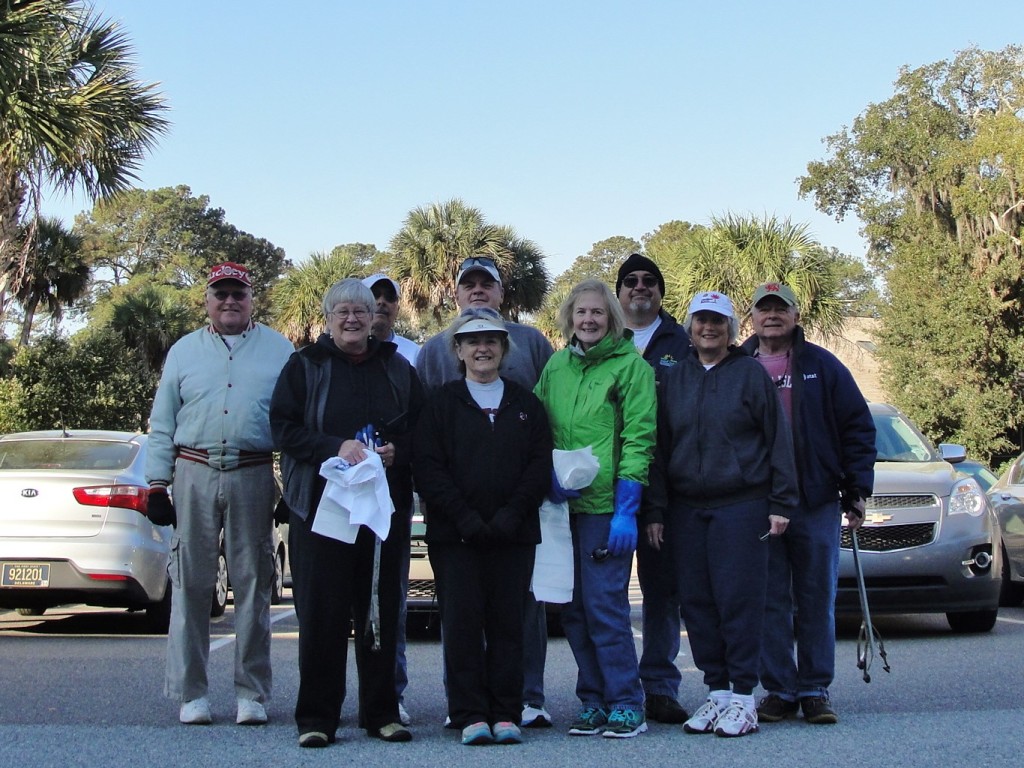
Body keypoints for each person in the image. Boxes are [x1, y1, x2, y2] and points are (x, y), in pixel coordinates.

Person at [269, 278, 423, 748]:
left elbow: (425, 428)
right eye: (343, 312)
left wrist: (401, 451)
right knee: (322, 613)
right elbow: (282, 428)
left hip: (380, 512)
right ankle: (317, 718)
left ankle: (381, 713)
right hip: (320, 510)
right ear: (328, 318)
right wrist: (334, 447)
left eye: (361, 310)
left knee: (379, 608)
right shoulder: (304, 366)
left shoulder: (396, 368)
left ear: (373, 317)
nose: (353, 319)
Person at [145, 261, 294, 726]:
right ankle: (192, 693)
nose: (230, 301)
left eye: (239, 293)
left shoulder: (279, 349)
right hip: (193, 470)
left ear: (253, 299)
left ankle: (251, 693)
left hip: (253, 472)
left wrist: (289, 484)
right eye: (220, 293)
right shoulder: (185, 352)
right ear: (207, 300)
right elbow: (162, 422)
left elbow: (292, 423)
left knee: (253, 583)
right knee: (191, 581)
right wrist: (156, 483)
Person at [643, 290, 798, 738]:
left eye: (717, 321)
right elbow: (659, 447)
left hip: (741, 505)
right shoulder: (675, 377)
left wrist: (781, 503)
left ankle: (745, 696)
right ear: (689, 327)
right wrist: (655, 510)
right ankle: (718, 692)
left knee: (739, 600)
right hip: (687, 508)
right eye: (700, 321)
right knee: (698, 602)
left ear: (732, 329)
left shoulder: (749, 375)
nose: (708, 328)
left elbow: (777, 441)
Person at [417, 255, 556, 728]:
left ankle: (508, 710)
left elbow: (539, 463)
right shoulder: (441, 403)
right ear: (457, 350)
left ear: (504, 347)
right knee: (461, 623)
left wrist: (511, 515)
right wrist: (466, 518)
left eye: (490, 342)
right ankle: (469, 712)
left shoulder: (525, 404)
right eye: (472, 342)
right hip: (456, 534)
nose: (482, 349)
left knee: (509, 625)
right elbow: (429, 467)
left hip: (514, 533)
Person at [740, 282, 876, 725]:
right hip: (757, 503)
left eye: (781, 309)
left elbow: (856, 426)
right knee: (769, 600)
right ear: (752, 318)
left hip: (814, 500)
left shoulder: (823, 365)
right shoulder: (736, 365)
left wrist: (856, 489)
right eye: (764, 309)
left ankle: (816, 689)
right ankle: (779, 690)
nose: (772, 316)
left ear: (796, 316)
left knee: (816, 597)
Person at [534, 278, 656, 739]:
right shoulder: (557, 366)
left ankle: (627, 701)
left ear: (612, 319)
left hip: (607, 509)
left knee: (605, 607)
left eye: (597, 313)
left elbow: (639, 440)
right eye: (581, 313)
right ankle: (594, 700)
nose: (588, 320)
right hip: (561, 508)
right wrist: (543, 480)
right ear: (570, 318)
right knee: (573, 611)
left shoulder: (631, 368)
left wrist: (628, 507)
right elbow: (537, 425)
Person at [614, 253, 691, 724]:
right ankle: (613, 684)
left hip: (669, 486)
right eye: (630, 282)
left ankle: (660, 686)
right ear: (618, 292)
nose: (640, 288)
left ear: (661, 292)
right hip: (611, 484)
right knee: (607, 590)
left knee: (663, 592)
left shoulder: (683, 342)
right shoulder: (598, 339)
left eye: (649, 281)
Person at [361, 272, 420, 727]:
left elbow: (425, 426)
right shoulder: (327, 357)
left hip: (394, 497)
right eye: (372, 296)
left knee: (390, 596)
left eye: (388, 298)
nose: (381, 304)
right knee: (340, 600)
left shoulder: (412, 357)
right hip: (339, 502)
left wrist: (403, 450)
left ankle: (390, 694)